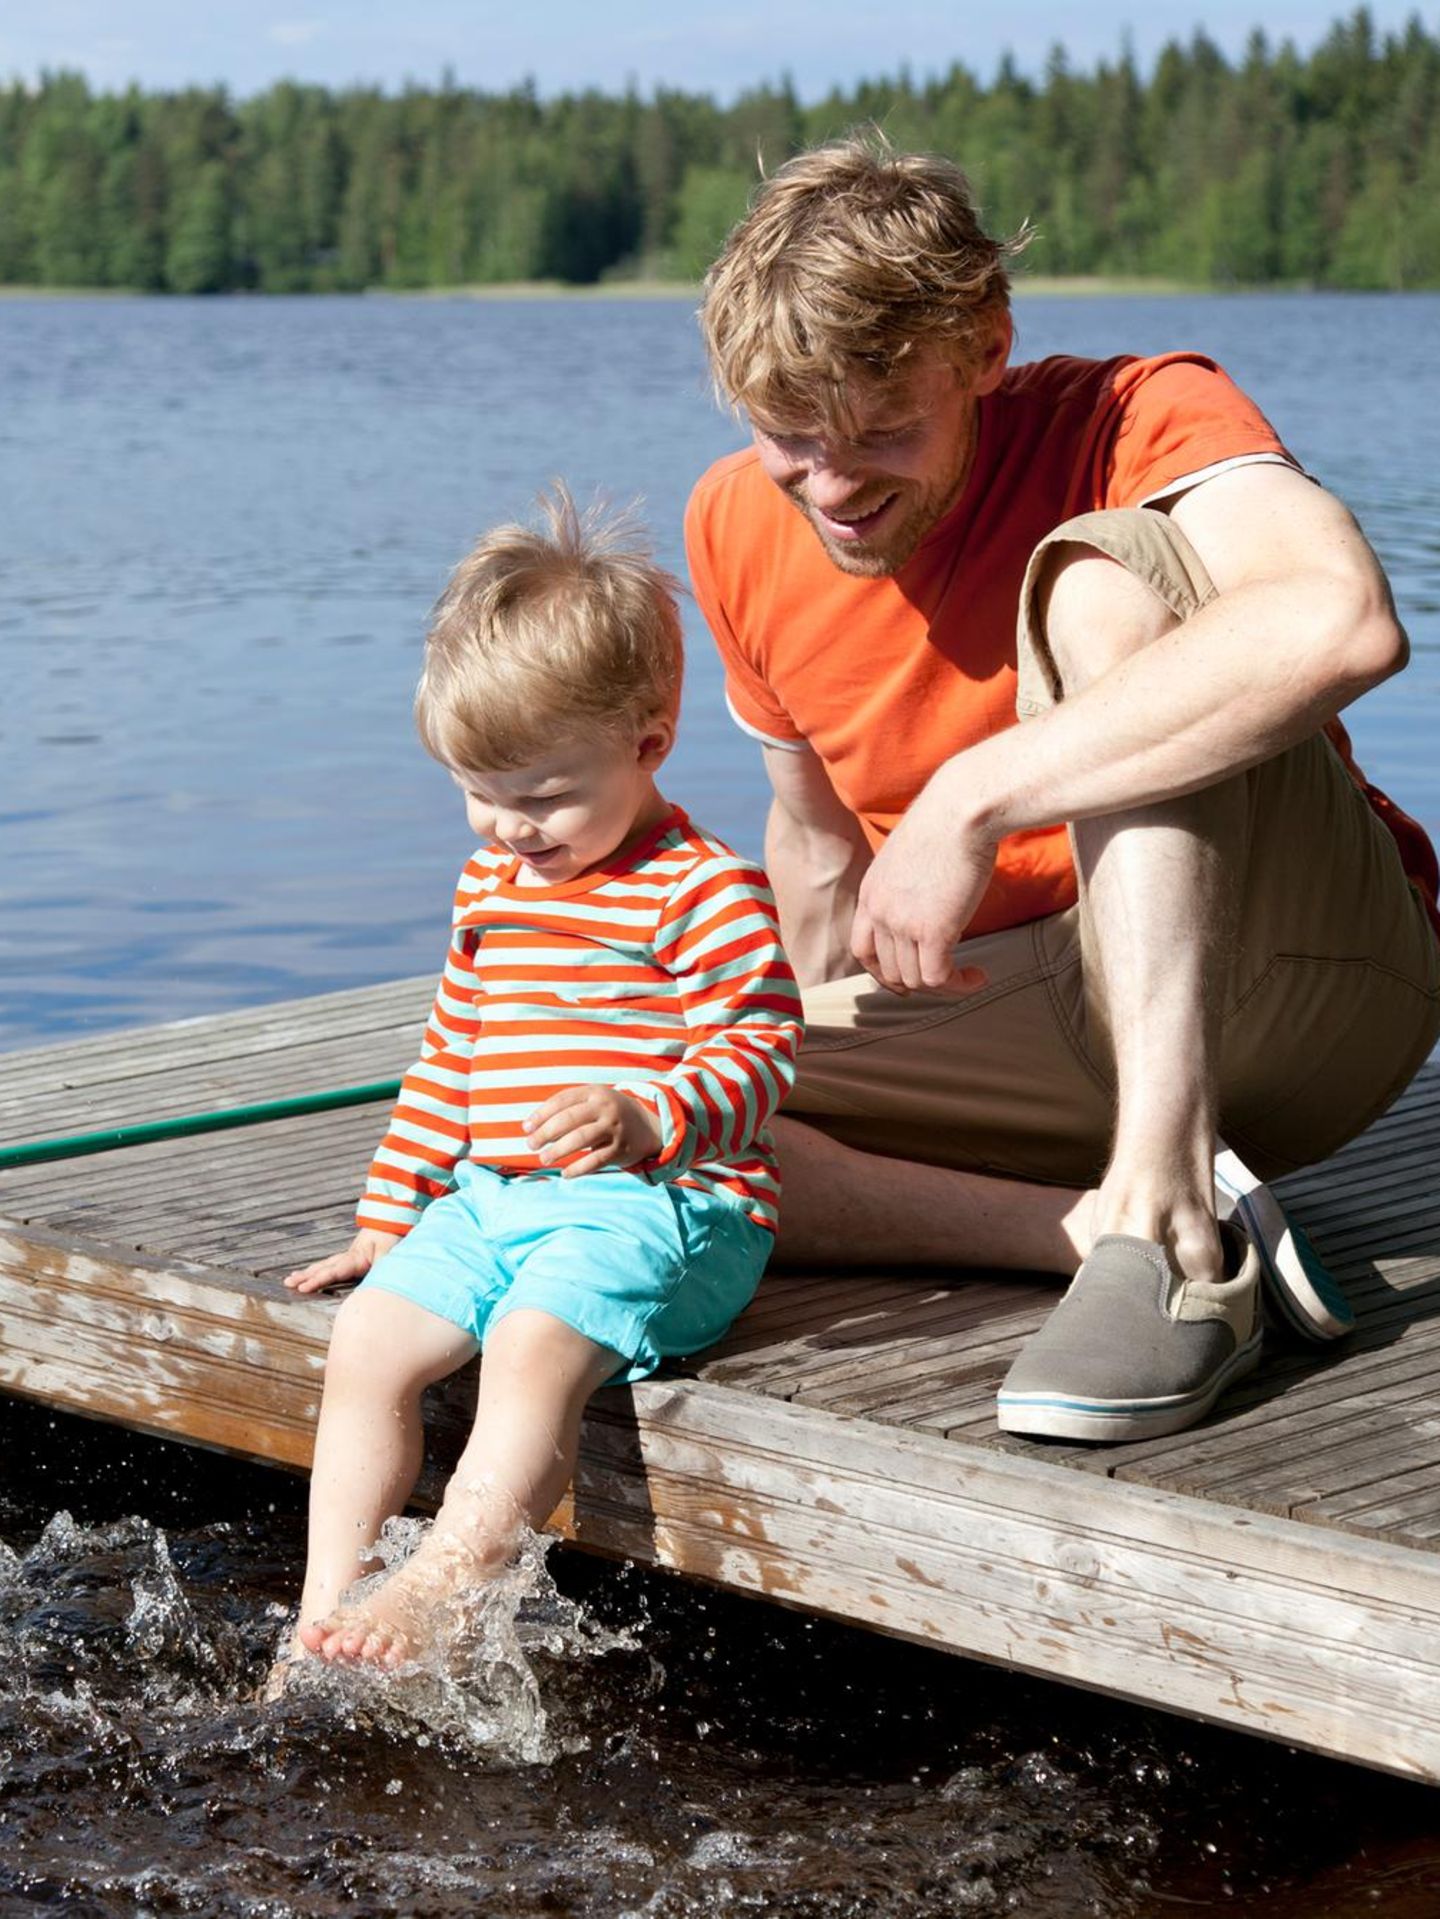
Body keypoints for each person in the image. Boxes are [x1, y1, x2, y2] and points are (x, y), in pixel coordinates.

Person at [685, 133, 1440, 1444]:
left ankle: (1169, 1223)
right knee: (649, 1113)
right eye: (790, 440)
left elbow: (1341, 622)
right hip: (1034, 1011)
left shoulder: (1138, 410)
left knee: (1102, 573)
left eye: (884, 431)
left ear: (984, 347)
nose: (835, 486)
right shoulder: (733, 525)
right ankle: (1098, 1229)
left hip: (1316, 976)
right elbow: (809, 844)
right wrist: (779, 1048)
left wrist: (974, 794)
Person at [277, 489, 802, 1673]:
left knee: (527, 1340)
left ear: (649, 741)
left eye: (544, 796)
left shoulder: (700, 887)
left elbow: (762, 1049)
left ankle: (445, 1580)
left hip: (668, 1208)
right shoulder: (493, 887)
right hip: (494, 1196)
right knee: (369, 1339)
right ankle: (322, 1611)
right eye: (481, 794)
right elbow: (450, 1054)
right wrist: (387, 1214)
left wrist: (650, 1114)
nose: (508, 829)